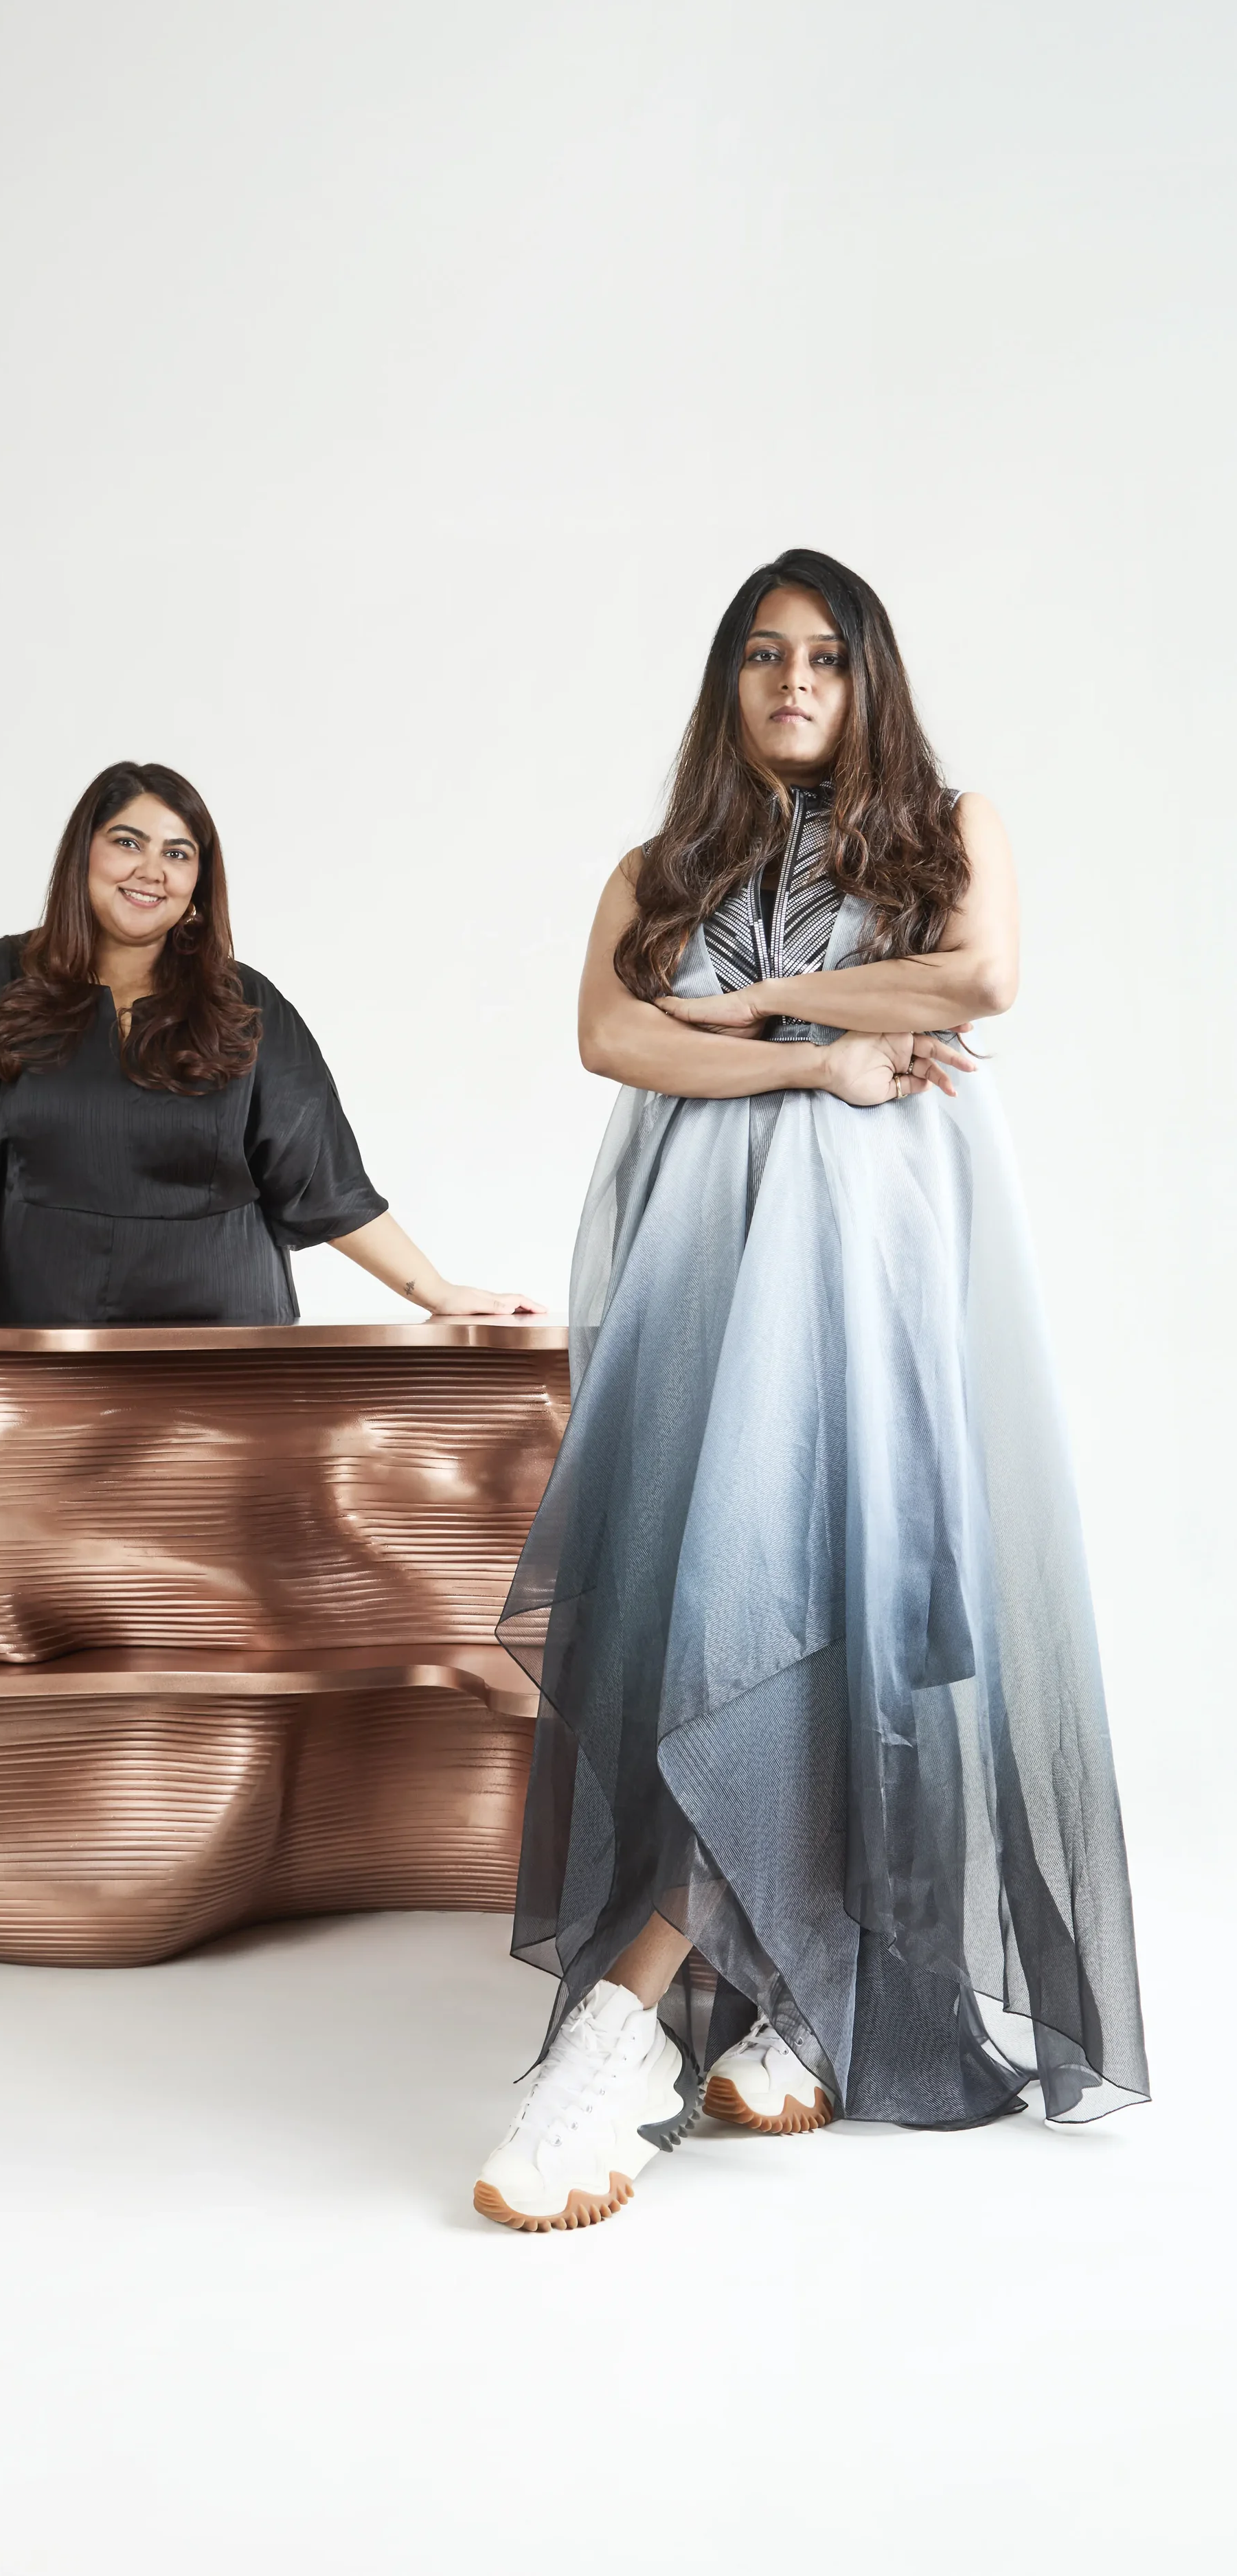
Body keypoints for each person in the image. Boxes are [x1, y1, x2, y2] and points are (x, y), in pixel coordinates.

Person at [474, 550, 1148, 2233]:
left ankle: (631, 2022)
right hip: (706, 1265)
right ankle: (792, 1991)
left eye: (827, 658)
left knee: (831, 1600)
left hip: (876, 1270)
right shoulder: (660, 862)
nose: (794, 682)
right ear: (727, 682)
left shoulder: (947, 829)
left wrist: (769, 1005)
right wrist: (827, 1058)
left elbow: (978, 978)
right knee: (738, 1598)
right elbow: (615, 1040)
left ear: (869, 680)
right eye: (764, 656)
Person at [0, 761, 541, 1330]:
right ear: (81, 855)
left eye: (176, 854)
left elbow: (323, 1181)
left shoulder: (246, 1003)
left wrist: (437, 1293)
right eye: (127, 842)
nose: (151, 870)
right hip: (32, 1340)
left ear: (197, 886)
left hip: (224, 1345)